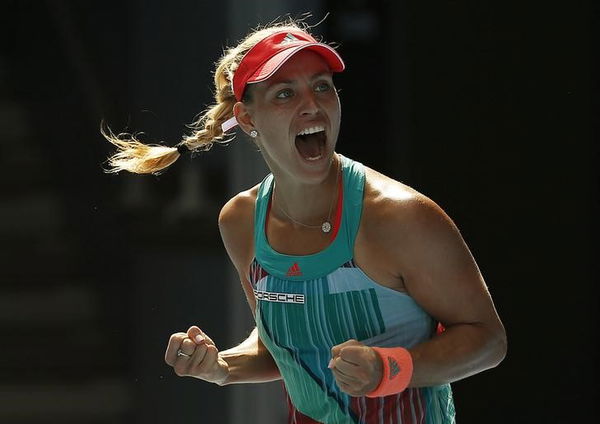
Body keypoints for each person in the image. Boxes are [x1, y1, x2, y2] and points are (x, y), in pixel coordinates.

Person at [105, 19, 506, 424]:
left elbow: (487, 340)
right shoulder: (241, 221)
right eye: (285, 94)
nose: (312, 105)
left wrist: (389, 369)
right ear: (247, 119)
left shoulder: (400, 217)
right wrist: (221, 368)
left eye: (322, 86)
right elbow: (278, 349)